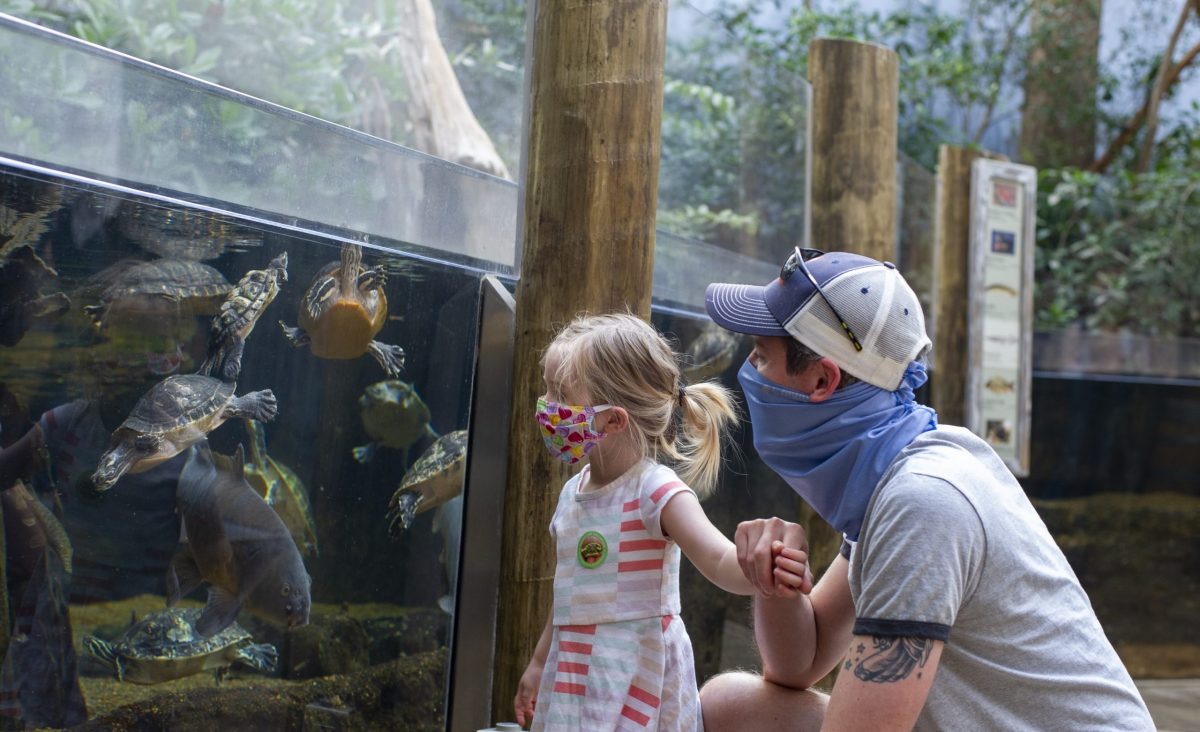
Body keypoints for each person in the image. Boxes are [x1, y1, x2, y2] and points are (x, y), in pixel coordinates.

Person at [699, 249, 1154, 731]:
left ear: (821, 379)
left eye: (760, 356)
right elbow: (800, 663)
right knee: (729, 704)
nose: (748, 371)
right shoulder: (896, 469)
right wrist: (777, 586)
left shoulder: (924, 500)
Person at [513, 313, 810, 731]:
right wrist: (540, 662)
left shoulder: (655, 491)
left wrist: (766, 564)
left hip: (635, 671)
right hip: (573, 669)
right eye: (546, 387)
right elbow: (569, 595)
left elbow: (719, 561)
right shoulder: (571, 493)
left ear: (614, 419)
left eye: (559, 393)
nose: (546, 405)